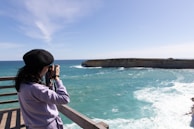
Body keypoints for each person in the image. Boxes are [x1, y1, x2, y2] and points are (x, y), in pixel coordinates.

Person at [15, 49, 70, 129]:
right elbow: (64, 99)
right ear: (40, 68)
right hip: (47, 126)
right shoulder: (36, 88)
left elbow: (44, 96)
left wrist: (50, 82)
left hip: (33, 125)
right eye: (47, 67)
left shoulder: (22, 83)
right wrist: (57, 78)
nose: (48, 69)